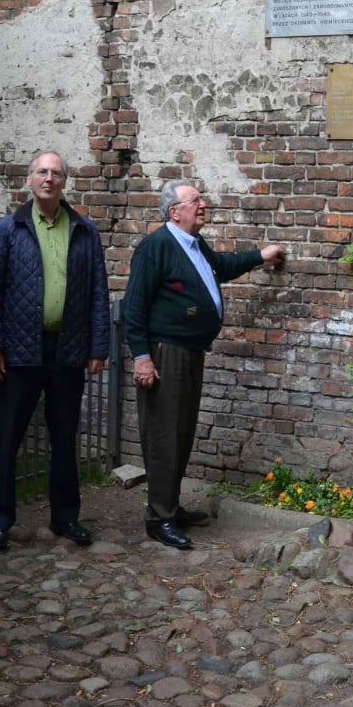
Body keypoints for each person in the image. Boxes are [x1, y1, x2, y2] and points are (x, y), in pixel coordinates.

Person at [123, 178, 285, 549]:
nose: (203, 205)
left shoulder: (194, 245)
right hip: (165, 353)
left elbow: (222, 267)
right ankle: (158, 519)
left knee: (181, 433)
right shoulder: (155, 247)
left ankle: (170, 507)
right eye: (195, 200)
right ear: (174, 211)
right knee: (164, 435)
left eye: (201, 199)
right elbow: (134, 306)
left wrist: (261, 255)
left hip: (190, 351)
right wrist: (142, 357)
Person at [0, 150, 109, 550]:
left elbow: (98, 293)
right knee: (6, 439)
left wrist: (98, 346)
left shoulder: (84, 230)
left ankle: (65, 518)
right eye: (42, 172)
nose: (49, 178)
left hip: (67, 351)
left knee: (65, 439)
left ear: (65, 181)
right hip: (19, 352)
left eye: (56, 173)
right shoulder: (9, 229)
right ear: (30, 179)